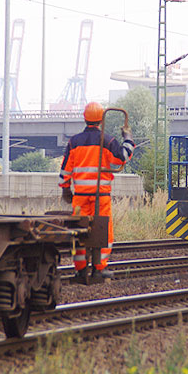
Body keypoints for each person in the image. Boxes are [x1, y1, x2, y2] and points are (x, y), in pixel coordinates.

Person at [59, 102, 135, 283]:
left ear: (85, 118)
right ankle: (99, 269)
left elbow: (65, 171)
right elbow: (123, 157)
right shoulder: (108, 141)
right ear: (101, 120)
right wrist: (128, 139)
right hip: (101, 196)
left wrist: (65, 189)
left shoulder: (74, 142)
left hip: (80, 197)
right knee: (103, 231)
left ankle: (80, 270)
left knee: (78, 232)